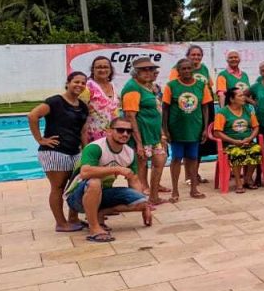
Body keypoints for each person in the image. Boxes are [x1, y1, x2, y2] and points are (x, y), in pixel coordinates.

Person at [64, 118, 151, 242]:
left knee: (143, 202)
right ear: (109, 131)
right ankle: (94, 227)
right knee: (94, 182)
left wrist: (145, 207)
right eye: (120, 130)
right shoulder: (95, 147)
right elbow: (85, 172)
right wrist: (117, 169)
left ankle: (100, 213)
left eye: (129, 131)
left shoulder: (129, 153)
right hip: (77, 197)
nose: (125, 134)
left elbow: (134, 180)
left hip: (104, 194)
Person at [29, 71, 89, 232]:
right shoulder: (55, 101)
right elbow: (33, 116)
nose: (80, 85)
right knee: (58, 187)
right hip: (54, 152)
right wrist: (40, 139)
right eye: (76, 82)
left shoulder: (83, 106)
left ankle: (73, 218)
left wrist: (86, 151)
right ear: (68, 83)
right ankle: (61, 223)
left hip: (74, 151)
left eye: (83, 83)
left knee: (75, 186)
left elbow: (83, 132)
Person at [162, 58, 212, 201]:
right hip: (177, 129)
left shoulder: (201, 85)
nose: (186, 71)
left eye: (189, 68)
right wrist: (165, 129)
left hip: (195, 128)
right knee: (176, 158)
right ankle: (175, 191)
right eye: (183, 69)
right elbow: (165, 109)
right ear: (178, 71)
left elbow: (205, 107)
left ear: (193, 69)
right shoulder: (171, 86)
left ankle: (194, 189)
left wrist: (204, 128)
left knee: (193, 158)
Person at [121, 57, 167, 205]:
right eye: (143, 70)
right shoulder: (132, 88)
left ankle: (154, 196)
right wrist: (139, 143)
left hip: (154, 135)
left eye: (150, 69)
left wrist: (161, 133)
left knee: (159, 162)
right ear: (136, 72)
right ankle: (140, 201)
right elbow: (130, 116)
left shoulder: (149, 86)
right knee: (140, 167)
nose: (148, 72)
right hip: (142, 135)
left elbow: (155, 111)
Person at [212, 87, 261, 193]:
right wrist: (233, 141)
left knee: (256, 149)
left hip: (247, 141)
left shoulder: (248, 110)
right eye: (240, 96)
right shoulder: (222, 112)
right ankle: (238, 182)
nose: (244, 97)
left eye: (243, 95)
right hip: (230, 144)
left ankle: (247, 179)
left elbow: (256, 127)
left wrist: (250, 138)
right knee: (237, 152)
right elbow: (217, 132)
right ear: (232, 99)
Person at [82, 55, 119, 142]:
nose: (102, 70)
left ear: (110, 69)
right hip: (93, 138)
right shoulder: (88, 87)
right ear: (93, 70)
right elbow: (79, 114)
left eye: (106, 67)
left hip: (113, 137)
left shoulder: (113, 86)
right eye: (98, 67)